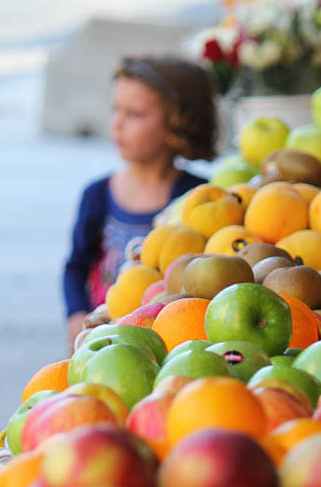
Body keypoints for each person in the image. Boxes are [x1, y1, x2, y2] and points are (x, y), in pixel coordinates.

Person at [63, 54, 218, 350]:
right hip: (101, 338)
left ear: (177, 125)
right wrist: (76, 315)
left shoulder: (200, 198)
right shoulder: (98, 194)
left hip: (169, 339)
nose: (117, 124)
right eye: (115, 110)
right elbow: (75, 266)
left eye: (134, 114)